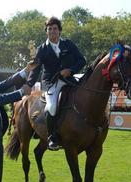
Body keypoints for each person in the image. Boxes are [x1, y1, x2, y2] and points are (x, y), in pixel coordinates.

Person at [27, 17, 86, 150]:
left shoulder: (68, 44)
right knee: (52, 106)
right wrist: (28, 85)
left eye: (55, 28)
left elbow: (82, 60)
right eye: (49, 29)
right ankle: (52, 137)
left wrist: (70, 70)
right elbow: (35, 69)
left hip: (68, 79)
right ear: (46, 32)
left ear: (59, 31)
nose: (52, 31)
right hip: (50, 82)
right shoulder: (41, 49)